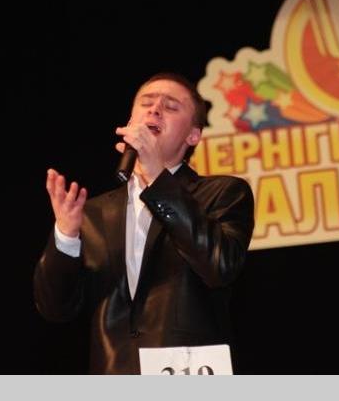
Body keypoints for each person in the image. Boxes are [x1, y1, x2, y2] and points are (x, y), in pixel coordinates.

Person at [33, 72, 254, 374]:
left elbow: (220, 266)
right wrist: (66, 236)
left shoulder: (223, 193)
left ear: (193, 136)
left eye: (171, 106)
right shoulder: (93, 212)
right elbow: (55, 308)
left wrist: (156, 176)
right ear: (129, 122)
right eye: (146, 103)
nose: (155, 109)